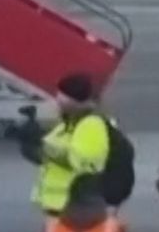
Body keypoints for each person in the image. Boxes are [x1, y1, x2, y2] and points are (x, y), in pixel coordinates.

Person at [19, 72, 111, 216]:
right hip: (58, 206)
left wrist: (40, 143)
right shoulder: (65, 126)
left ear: (74, 100)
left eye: (62, 96)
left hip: (78, 206)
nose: (57, 100)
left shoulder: (92, 125)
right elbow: (44, 159)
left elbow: (80, 161)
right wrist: (26, 143)